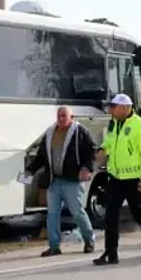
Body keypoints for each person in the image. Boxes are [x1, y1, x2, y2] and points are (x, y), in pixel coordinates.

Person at [93, 94, 141, 265]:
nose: (111, 110)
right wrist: (102, 150)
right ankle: (111, 253)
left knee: (138, 213)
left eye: (114, 107)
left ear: (125, 108)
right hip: (116, 177)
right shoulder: (114, 124)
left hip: (135, 178)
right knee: (110, 216)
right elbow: (109, 142)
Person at [24, 106, 97, 257]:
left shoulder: (80, 132)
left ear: (72, 117)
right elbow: (41, 157)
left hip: (72, 181)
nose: (61, 118)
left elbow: (91, 152)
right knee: (52, 214)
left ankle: (89, 240)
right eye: (59, 116)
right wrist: (29, 171)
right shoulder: (50, 133)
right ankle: (54, 246)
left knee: (77, 212)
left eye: (64, 116)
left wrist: (87, 168)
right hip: (54, 180)